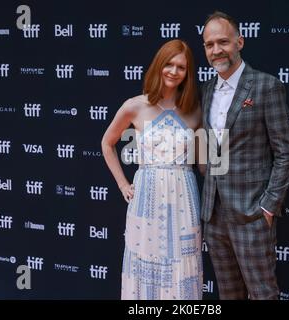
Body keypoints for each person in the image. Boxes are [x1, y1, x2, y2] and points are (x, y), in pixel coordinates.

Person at [200, 11, 289, 300]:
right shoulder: (206, 90)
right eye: (208, 44)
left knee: (263, 294)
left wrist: (267, 208)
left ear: (239, 42)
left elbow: (285, 153)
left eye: (223, 42)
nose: (216, 50)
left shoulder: (266, 86)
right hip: (213, 216)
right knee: (229, 295)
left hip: (251, 215)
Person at [101, 39, 203, 300]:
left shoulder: (194, 111)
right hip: (147, 197)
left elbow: (204, 162)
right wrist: (123, 185)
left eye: (181, 67)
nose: (173, 71)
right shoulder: (135, 106)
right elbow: (107, 143)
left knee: (183, 265)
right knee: (144, 262)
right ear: (158, 65)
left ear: (188, 73)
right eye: (168, 64)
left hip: (184, 199)